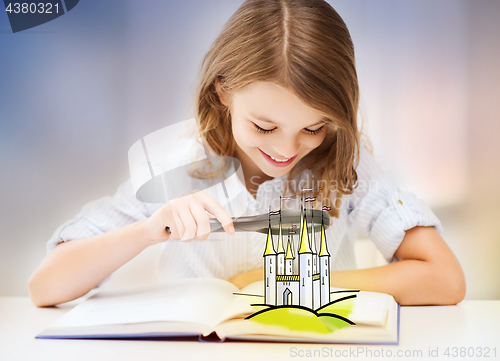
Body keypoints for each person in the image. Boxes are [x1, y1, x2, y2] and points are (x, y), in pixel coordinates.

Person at [28, 0, 466, 307]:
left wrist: (283, 286)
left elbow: (444, 277)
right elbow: (46, 287)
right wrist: (148, 231)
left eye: (313, 128)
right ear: (222, 90)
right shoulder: (177, 162)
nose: (285, 149)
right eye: (264, 126)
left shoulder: (343, 165)